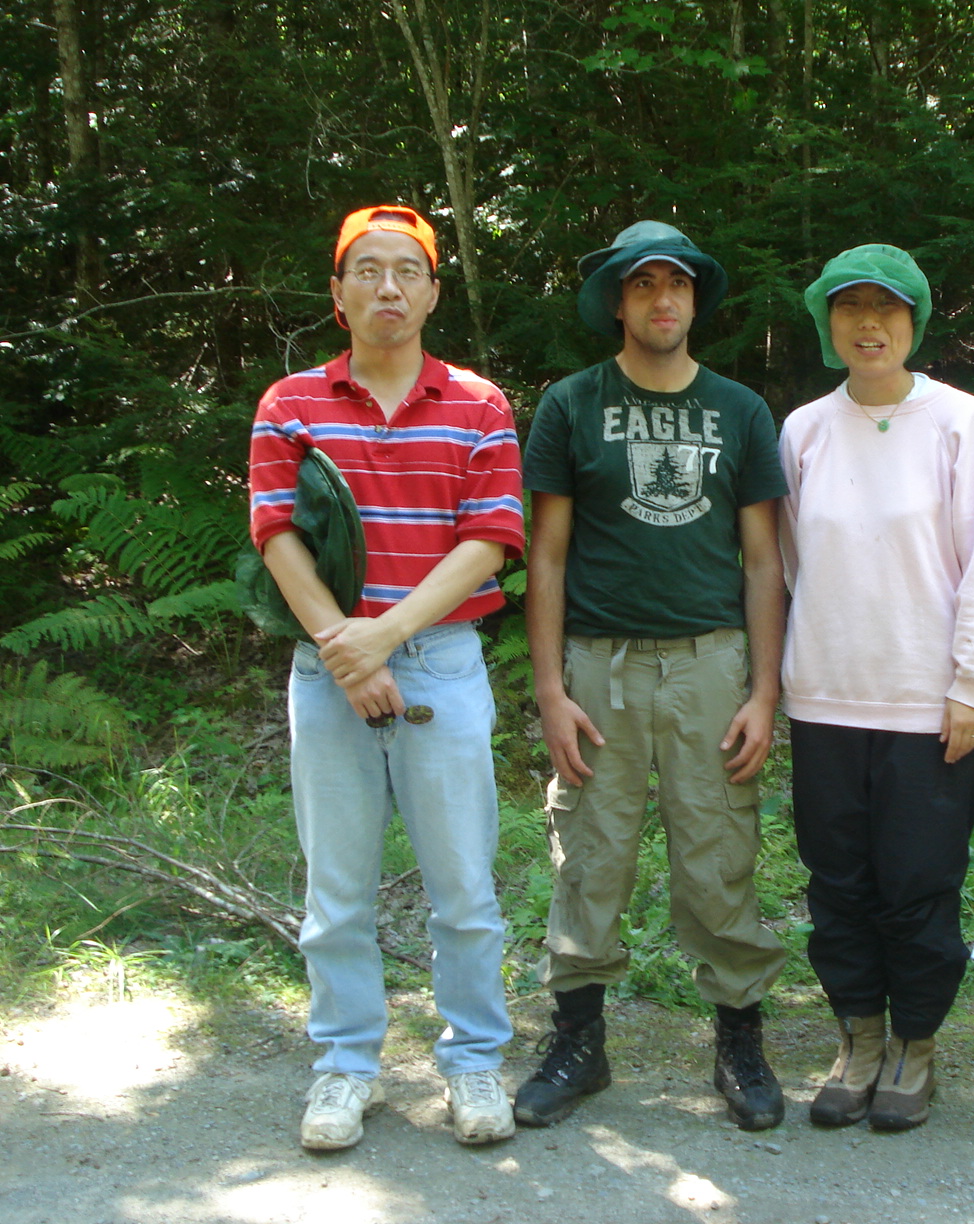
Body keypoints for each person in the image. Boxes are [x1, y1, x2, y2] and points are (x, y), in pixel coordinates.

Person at [248, 205, 524, 1150]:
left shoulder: (479, 403)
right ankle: (345, 1067)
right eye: (367, 270)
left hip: (440, 660)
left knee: (463, 886)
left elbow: (490, 538)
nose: (388, 287)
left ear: (433, 292)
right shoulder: (291, 402)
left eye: (407, 270)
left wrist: (386, 638)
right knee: (337, 890)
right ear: (338, 293)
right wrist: (343, 647)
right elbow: (275, 532)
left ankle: (475, 1062)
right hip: (326, 667)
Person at [518, 221, 788, 1131]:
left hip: (711, 661)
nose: (662, 299)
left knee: (718, 849)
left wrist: (764, 691)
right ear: (618, 302)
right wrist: (550, 689)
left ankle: (739, 1040)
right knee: (591, 850)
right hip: (600, 664)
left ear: (695, 299)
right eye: (643, 285)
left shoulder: (739, 411)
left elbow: (763, 561)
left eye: (677, 284)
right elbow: (547, 555)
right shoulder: (571, 405)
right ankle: (578, 1042)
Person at [779, 245, 974, 1131]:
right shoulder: (804, 429)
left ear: (914, 320)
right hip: (826, 697)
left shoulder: (959, 421)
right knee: (838, 883)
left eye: (887, 308)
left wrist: (973, 686)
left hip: (929, 703)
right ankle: (859, 1039)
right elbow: (791, 563)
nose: (868, 324)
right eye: (850, 308)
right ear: (827, 321)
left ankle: (915, 1043)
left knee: (918, 883)